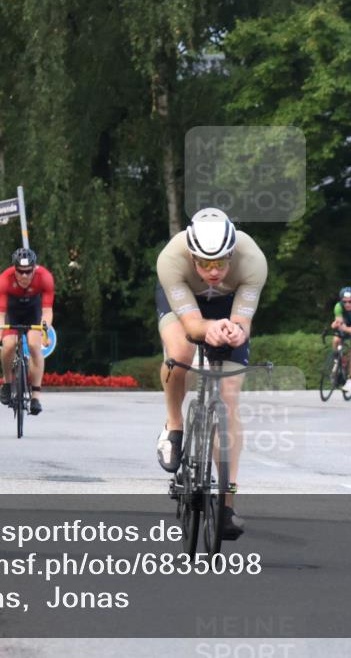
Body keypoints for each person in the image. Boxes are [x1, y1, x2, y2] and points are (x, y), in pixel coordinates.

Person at [155, 207, 267, 539]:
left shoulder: (253, 261)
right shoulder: (171, 259)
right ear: (191, 255)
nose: (213, 271)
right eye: (203, 263)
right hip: (185, 305)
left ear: (232, 253)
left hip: (227, 308)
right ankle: (174, 424)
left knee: (229, 398)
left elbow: (243, 322)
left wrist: (235, 332)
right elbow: (191, 325)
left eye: (220, 263)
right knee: (180, 353)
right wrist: (208, 329)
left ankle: (227, 505)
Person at [0, 248, 55, 416]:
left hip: (32, 311)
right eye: (20, 271)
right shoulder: (4, 279)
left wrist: (44, 329)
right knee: (8, 345)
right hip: (12, 311)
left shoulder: (45, 278)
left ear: (35, 268)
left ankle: (35, 396)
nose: (24, 276)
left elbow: (47, 311)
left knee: (34, 346)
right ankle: (7, 383)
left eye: (28, 272)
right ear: (14, 269)